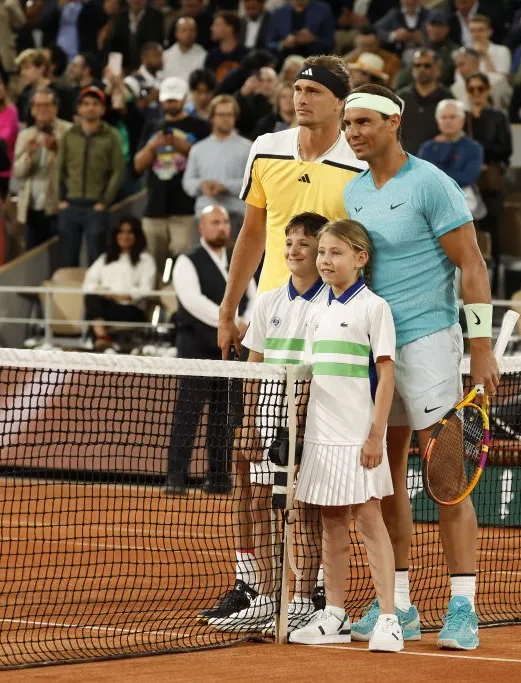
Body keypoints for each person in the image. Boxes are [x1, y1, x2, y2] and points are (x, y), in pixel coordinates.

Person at [340, 83, 499, 649]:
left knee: (447, 481)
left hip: (430, 341)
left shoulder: (432, 183)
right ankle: (400, 603)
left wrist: (480, 347)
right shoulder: (354, 192)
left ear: (393, 123)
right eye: (348, 124)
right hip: (375, 349)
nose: (353, 133)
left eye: (363, 122)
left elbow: (472, 265)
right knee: (383, 480)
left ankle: (463, 606)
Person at [201, 211, 329, 634]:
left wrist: (301, 425)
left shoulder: (330, 304)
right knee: (260, 504)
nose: (294, 250)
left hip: (310, 421)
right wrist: (248, 424)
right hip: (268, 417)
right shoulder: (268, 301)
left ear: (321, 251)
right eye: (289, 243)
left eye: (304, 244)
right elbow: (254, 366)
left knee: (304, 511)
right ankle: (267, 598)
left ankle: (304, 600)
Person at [286, 219, 401, 653]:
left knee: (369, 519)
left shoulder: (375, 308)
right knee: (331, 524)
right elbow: (310, 377)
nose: (325, 260)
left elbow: (386, 377)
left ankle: (389, 618)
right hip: (321, 435)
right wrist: (295, 431)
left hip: (358, 435)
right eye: (322, 252)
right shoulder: (316, 311)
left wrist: (375, 435)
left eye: (335, 252)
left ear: (360, 258)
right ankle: (334, 613)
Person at [217, 55, 366, 342]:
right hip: (271, 309)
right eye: (298, 89)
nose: (301, 99)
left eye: (313, 91)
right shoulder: (265, 148)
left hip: (336, 315)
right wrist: (227, 311)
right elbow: (252, 233)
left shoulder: (361, 163)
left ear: (340, 102)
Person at [166, 205, 255, 495]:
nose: (222, 227)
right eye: (215, 222)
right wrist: (230, 320)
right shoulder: (186, 261)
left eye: (225, 222)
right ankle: (175, 477)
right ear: (201, 228)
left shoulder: (238, 258)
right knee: (188, 412)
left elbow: (253, 294)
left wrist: (245, 322)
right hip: (195, 346)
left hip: (230, 348)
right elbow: (192, 300)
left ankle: (218, 477)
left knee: (224, 415)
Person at [134, 76, 211, 277]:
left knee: (183, 263)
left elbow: (207, 162)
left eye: (175, 99)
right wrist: (152, 146)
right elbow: (138, 165)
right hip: (154, 207)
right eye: (167, 100)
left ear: (184, 98)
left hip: (185, 208)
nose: (171, 104)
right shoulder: (152, 126)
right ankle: (156, 297)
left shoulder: (200, 127)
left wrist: (184, 147)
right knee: (152, 267)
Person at [58, 85, 125, 268]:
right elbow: (60, 168)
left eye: (95, 104)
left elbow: (117, 170)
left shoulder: (111, 136)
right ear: (79, 108)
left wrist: (104, 201)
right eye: (86, 104)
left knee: (97, 258)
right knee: (67, 257)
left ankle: (96, 288)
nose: (90, 108)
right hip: (71, 204)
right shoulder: (69, 135)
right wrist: (61, 199)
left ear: (102, 109)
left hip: (96, 205)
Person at [463, 72, 511, 286]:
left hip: (488, 182)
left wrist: (478, 153)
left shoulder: (498, 117)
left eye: (480, 89)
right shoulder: (462, 116)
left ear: (488, 90)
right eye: (471, 89)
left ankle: (495, 279)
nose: (476, 93)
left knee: (494, 229)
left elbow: (506, 149)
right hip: (465, 182)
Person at [82, 216, 157, 351]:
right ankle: (102, 337)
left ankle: (100, 339)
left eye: (129, 232)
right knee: (91, 298)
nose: (125, 236)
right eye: (121, 232)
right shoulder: (105, 258)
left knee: (94, 311)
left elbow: (146, 289)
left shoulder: (145, 259)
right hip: (106, 304)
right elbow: (88, 283)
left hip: (131, 309)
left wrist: (124, 296)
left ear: (136, 236)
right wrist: (104, 292)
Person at [183, 94, 251, 231]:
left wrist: (225, 187)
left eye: (229, 114)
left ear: (235, 117)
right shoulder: (198, 149)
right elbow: (188, 182)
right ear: (212, 117)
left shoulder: (248, 147)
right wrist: (201, 185)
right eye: (221, 114)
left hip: (236, 215)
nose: (225, 118)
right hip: (205, 214)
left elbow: (253, 183)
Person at [13, 87, 70, 250]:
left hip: (58, 206)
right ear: (32, 110)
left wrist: (56, 149)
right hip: (32, 208)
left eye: (47, 105)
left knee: (60, 253)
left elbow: (74, 169)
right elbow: (18, 172)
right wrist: (28, 155)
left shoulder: (69, 131)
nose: (42, 109)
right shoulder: (24, 135)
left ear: (56, 108)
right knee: (32, 256)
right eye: (38, 105)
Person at [417, 99, 483, 199]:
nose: (448, 121)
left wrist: (436, 174)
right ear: (438, 121)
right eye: (443, 117)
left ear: (462, 120)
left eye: (452, 117)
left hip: (463, 198)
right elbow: (422, 175)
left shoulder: (473, 148)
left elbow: (467, 177)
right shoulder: (428, 147)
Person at [395, 49, 452, 156]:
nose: (421, 69)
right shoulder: (401, 98)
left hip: (437, 159)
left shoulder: (447, 99)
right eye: (417, 65)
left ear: (437, 68)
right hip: (404, 158)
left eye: (427, 66)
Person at [266, 0, 335, 59]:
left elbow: (330, 44)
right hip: (285, 61)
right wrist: (283, 44)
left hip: (314, 60)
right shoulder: (278, 13)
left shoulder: (323, 10)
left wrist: (313, 39)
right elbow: (269, 44)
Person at [205, 11, 247, 83]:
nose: (211, 28)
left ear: (229, 28)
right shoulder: (212, 56)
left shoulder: (246, 55)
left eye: (216, 25)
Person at [162, 17, 206, 83]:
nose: (188, 34)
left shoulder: (204, 55)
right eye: (184, 30)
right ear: (176, 33)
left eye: (192, 30)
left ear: (196, 33)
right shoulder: (165, 56)